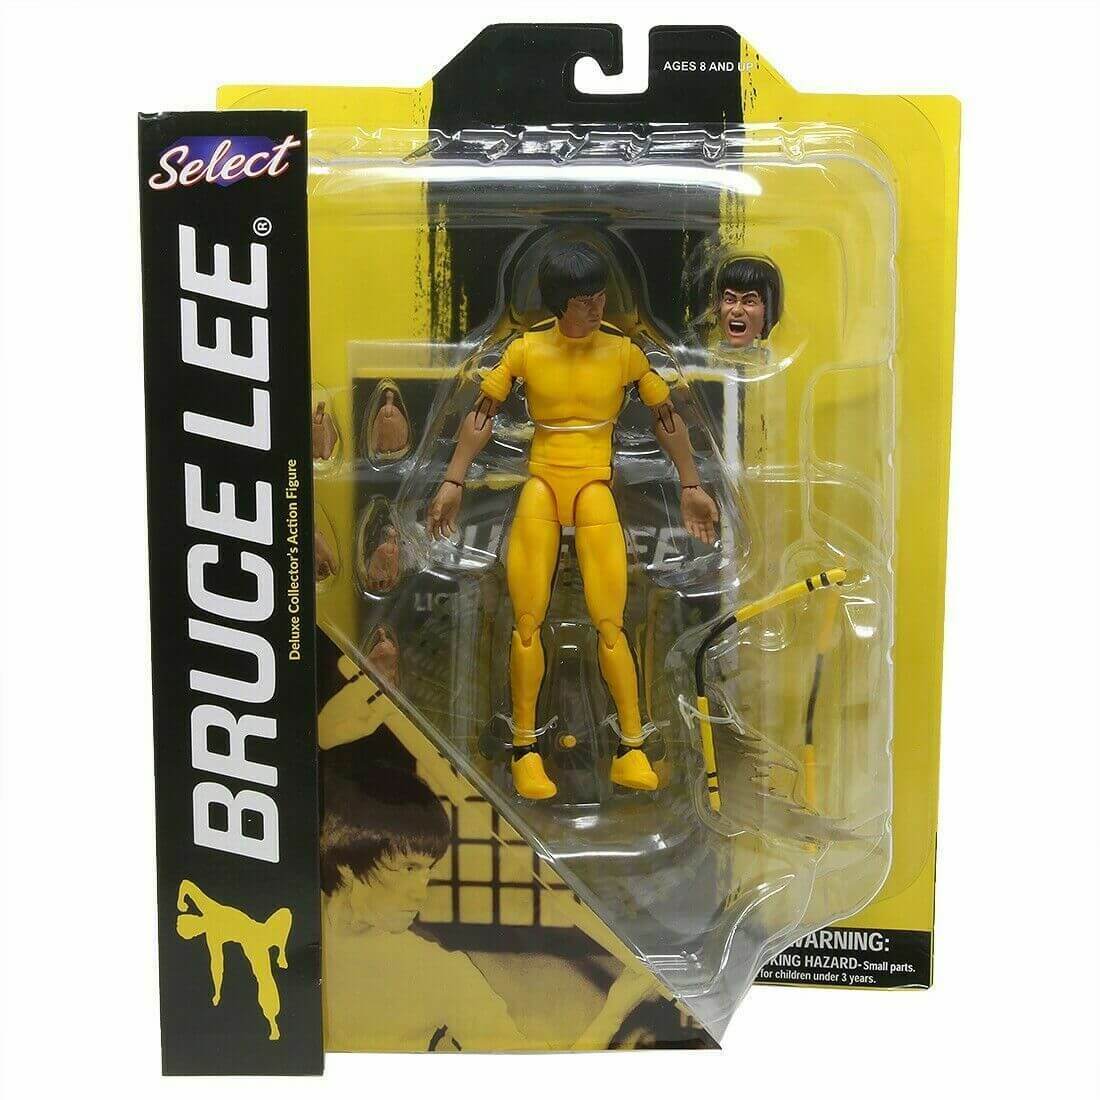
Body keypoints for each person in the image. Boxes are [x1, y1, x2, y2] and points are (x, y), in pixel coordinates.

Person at [427, 242, 718, 799]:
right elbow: (480, 417)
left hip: (593, 488)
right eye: (585, 300)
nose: (597, 306)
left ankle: (632, 748)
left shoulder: (625, 354)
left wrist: (690, 485)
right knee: (526, 621)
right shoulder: (526, 351)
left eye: (600, 295)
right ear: (560, 302)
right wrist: (453, 481)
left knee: (611, 623)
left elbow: (667, 418)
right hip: (541, 483)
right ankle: (524, 751)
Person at [321, 765, 653, 1050]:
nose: (420, 894)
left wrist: (615, 1010)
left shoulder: (434, 968)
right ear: (347, 864)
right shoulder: (298, 928)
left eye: (428, 871)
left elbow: (533, 1082)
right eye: (408, 868)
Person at [175, 879, 291, 1041]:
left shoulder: (208, 907)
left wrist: (181, 901)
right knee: (264, 978)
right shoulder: (212, 937)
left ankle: (281, 952)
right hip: (252, 944)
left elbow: (187, 885)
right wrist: (217, 991)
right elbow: (217, 966)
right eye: (194, 933)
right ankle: (273, 1024)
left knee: (285, 914)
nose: (197, 930)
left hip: (258, 931)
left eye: (192, 927)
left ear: (193, 918)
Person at [714, 255, 783, 348]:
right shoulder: (706, 353)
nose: (736, 310)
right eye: (730, 300)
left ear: (767, 311)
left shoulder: (777, 355)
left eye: (749, 302)